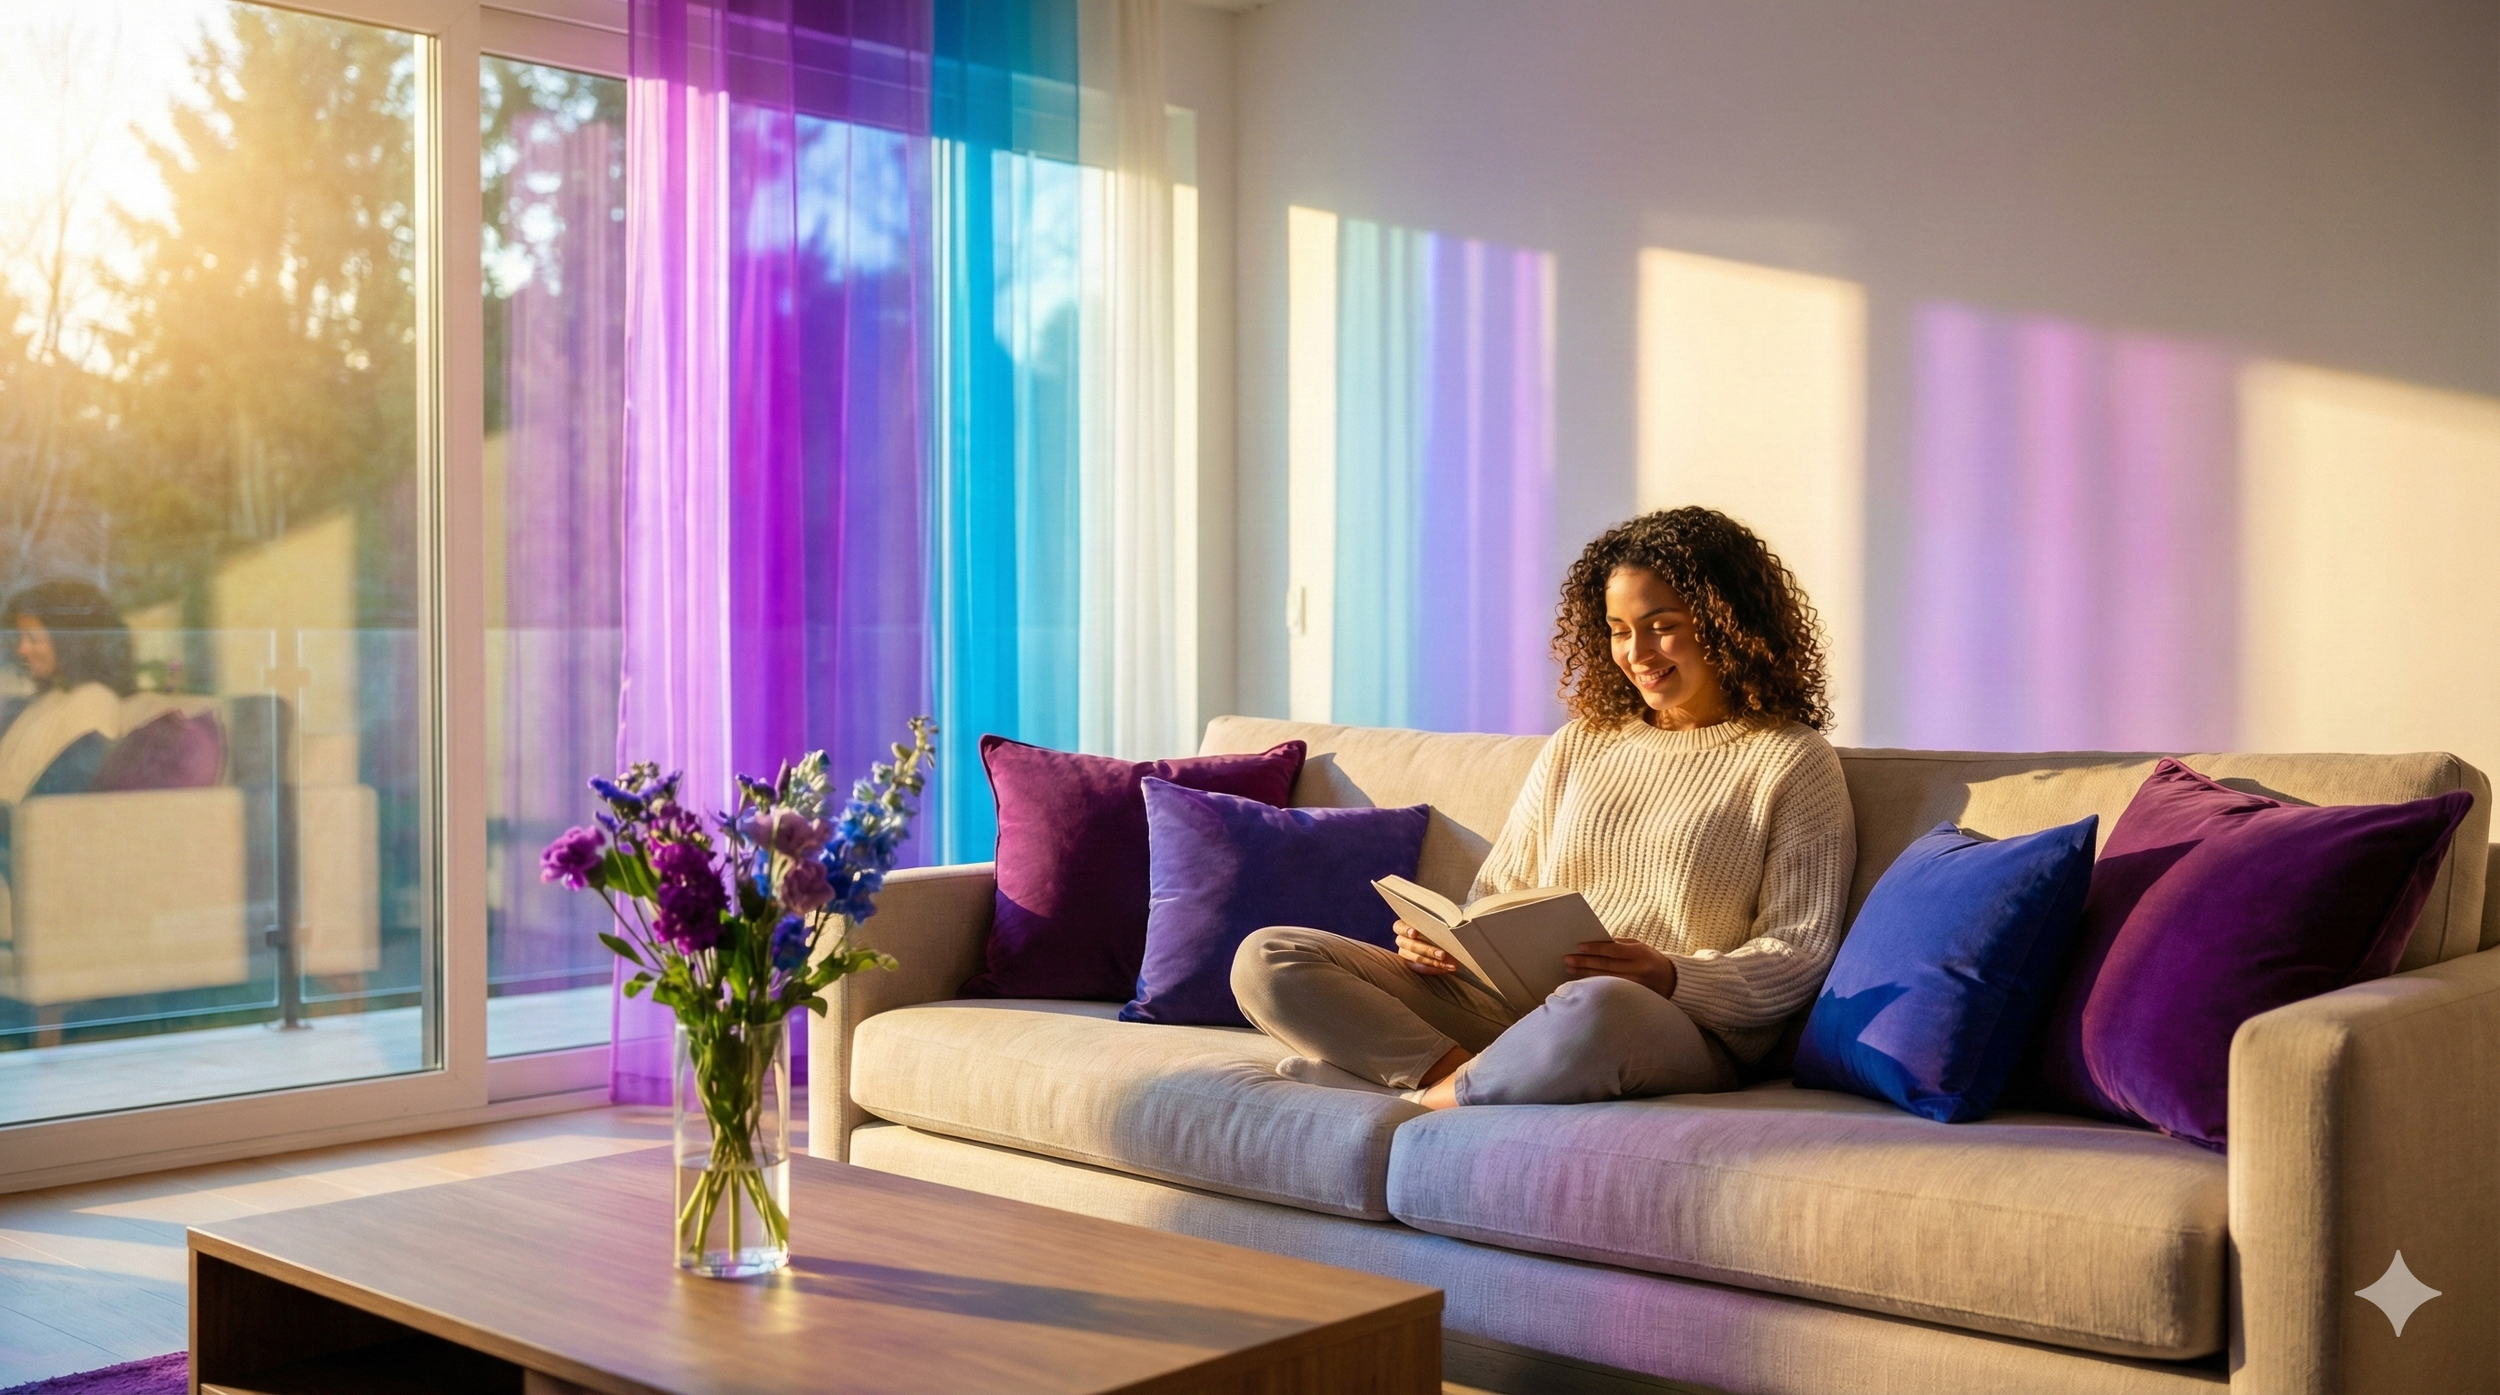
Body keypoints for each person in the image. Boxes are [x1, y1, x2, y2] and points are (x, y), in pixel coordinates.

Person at [1232, 507, 1856, 1108]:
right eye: (1618, 631)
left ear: (1726, 622)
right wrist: (1443, 944)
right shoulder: (1580, 743)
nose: (1636, 652)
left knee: (1602, 1004)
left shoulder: (1792, 760)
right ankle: (1456, 1085)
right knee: (1268, 957)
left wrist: (1670, 975)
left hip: (1660, 1023)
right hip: (1516, 1009)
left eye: (1660, 624)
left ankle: (1414, 1094)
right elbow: (1500, 892)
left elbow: (1797, 952)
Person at [0, 580, 133, 806]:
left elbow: (58, 805)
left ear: (71, 642)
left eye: (33, 638)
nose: (22, 649)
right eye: (21, 638)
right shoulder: (52, 697)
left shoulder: (93, 702)